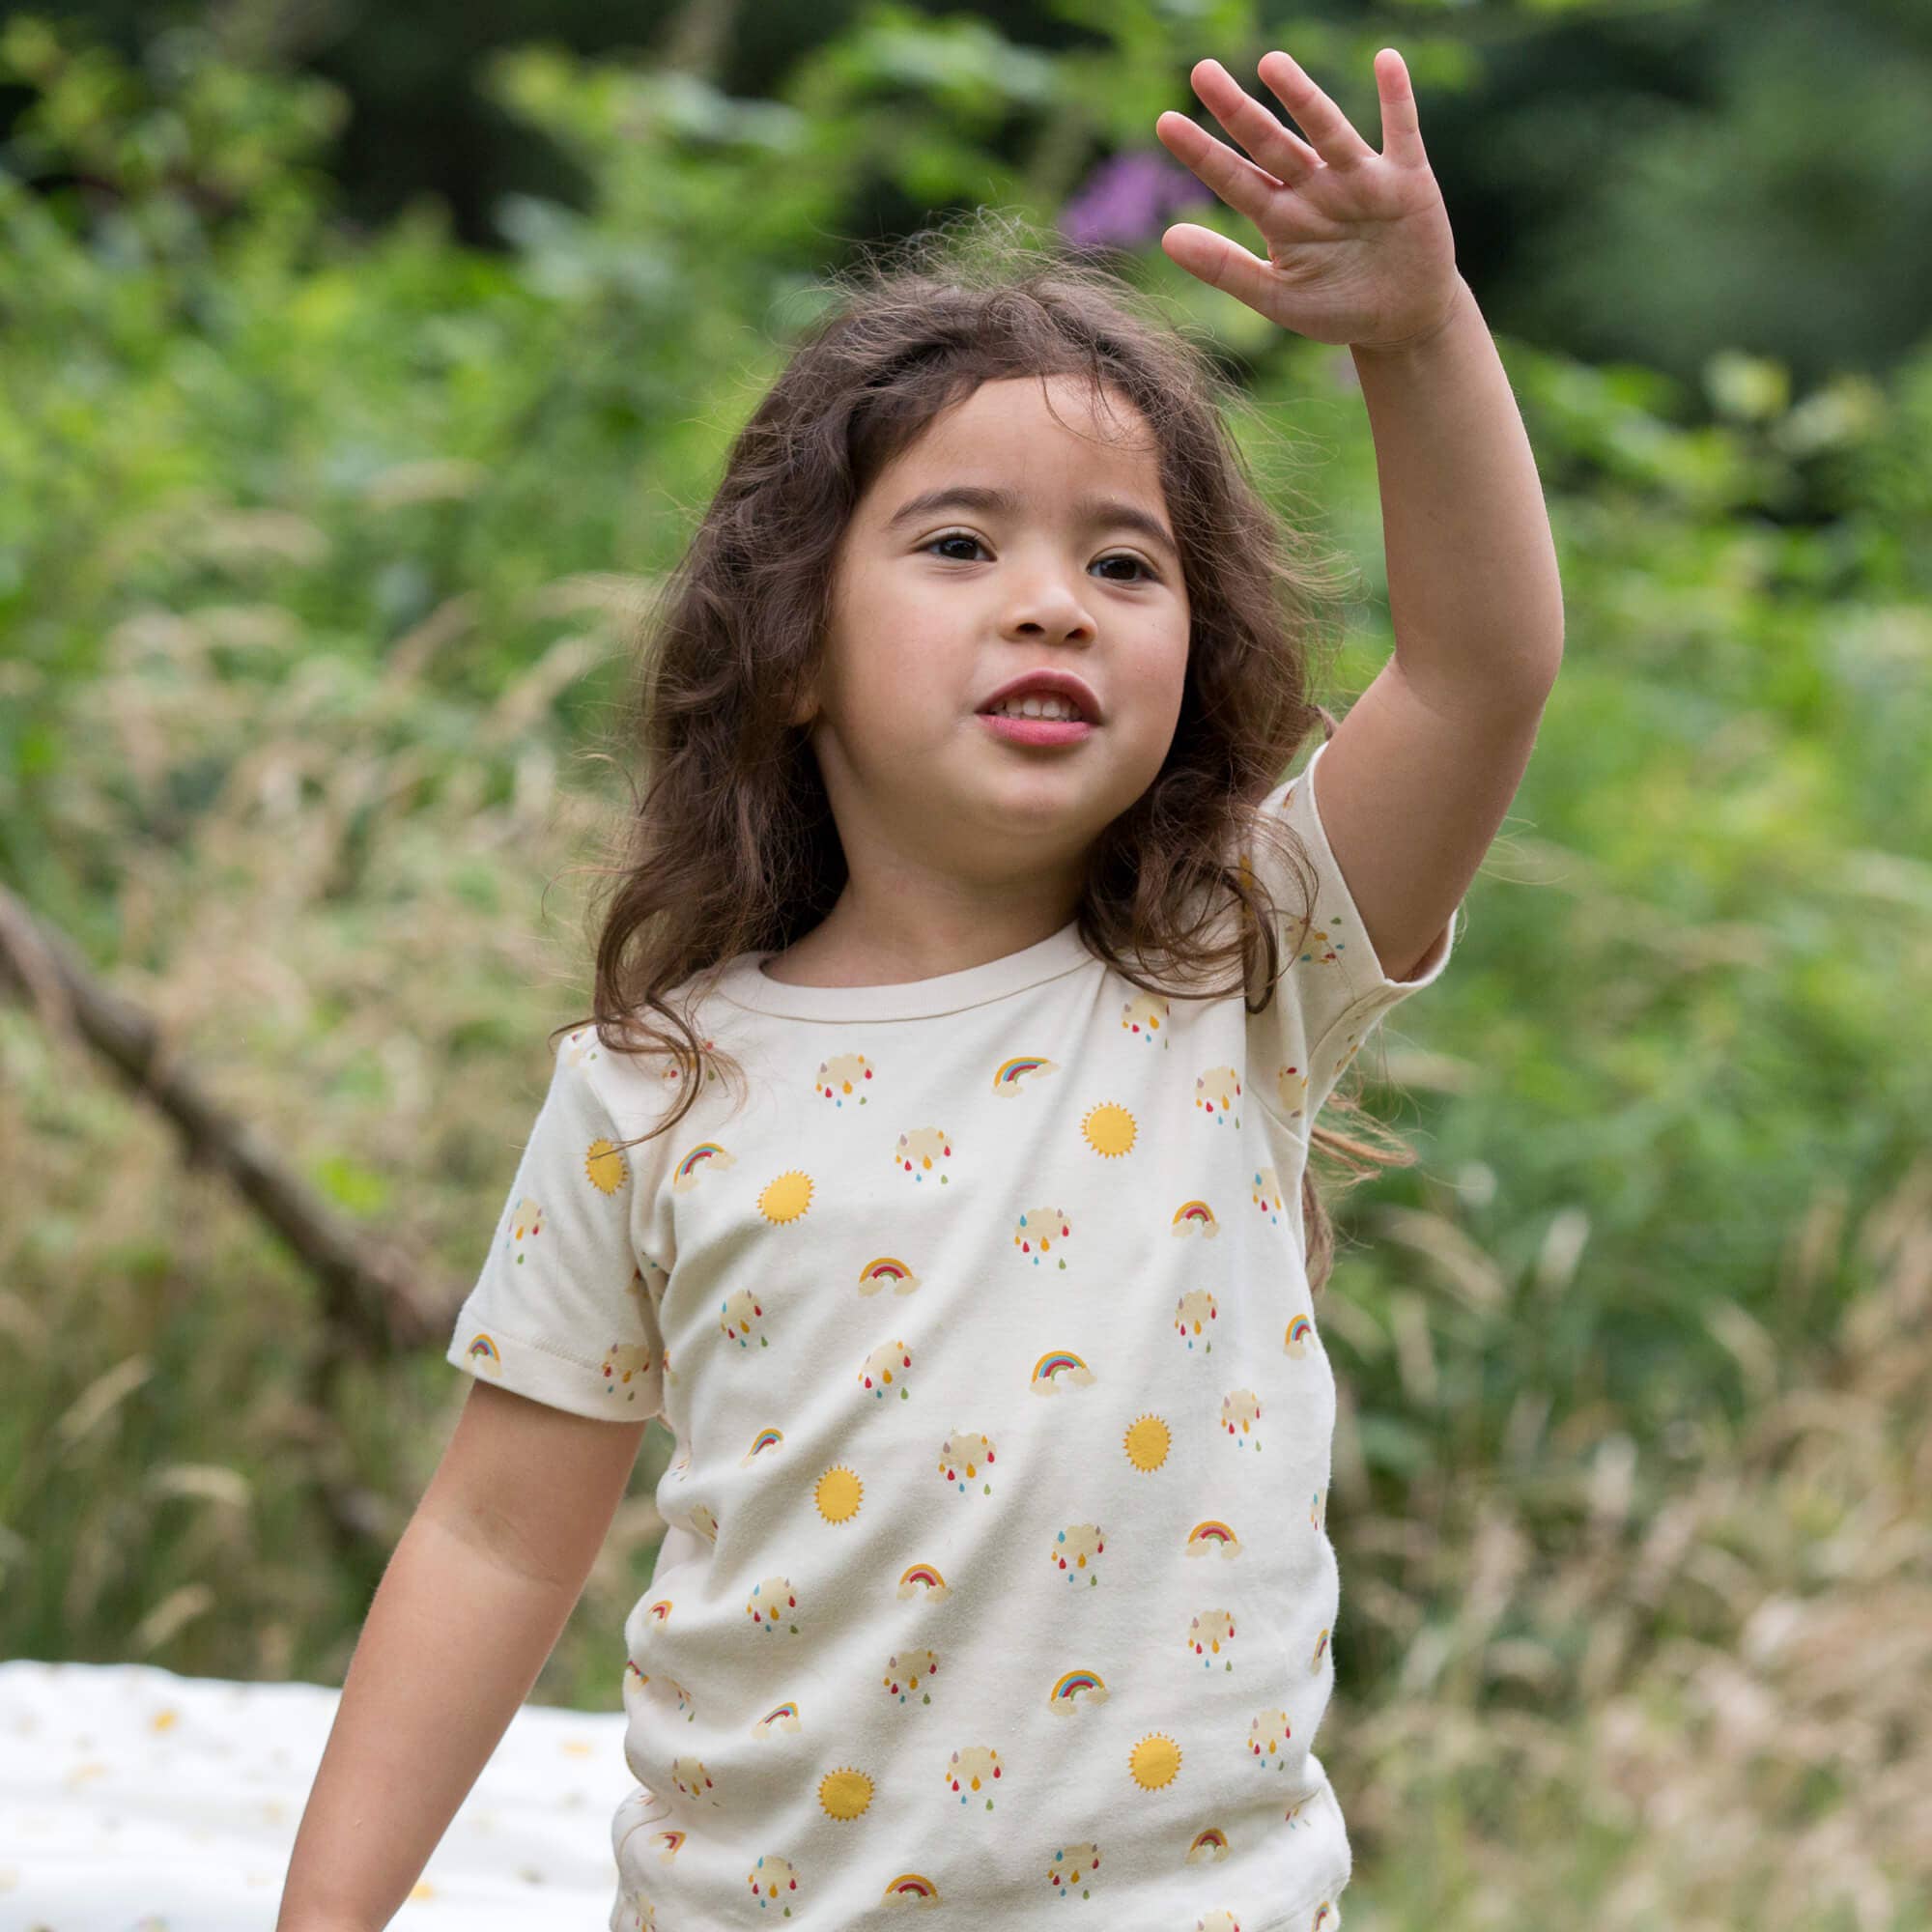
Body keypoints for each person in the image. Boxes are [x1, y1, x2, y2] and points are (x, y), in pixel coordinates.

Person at [279, 45, 1561, 1932]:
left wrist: (1419, 333)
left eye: (1123, 562)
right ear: (791, 649)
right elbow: (489, 1539)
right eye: (959, 544)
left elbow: (1478, 670)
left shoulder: (1242, 961)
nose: (1051, 601)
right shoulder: (656, 1083)